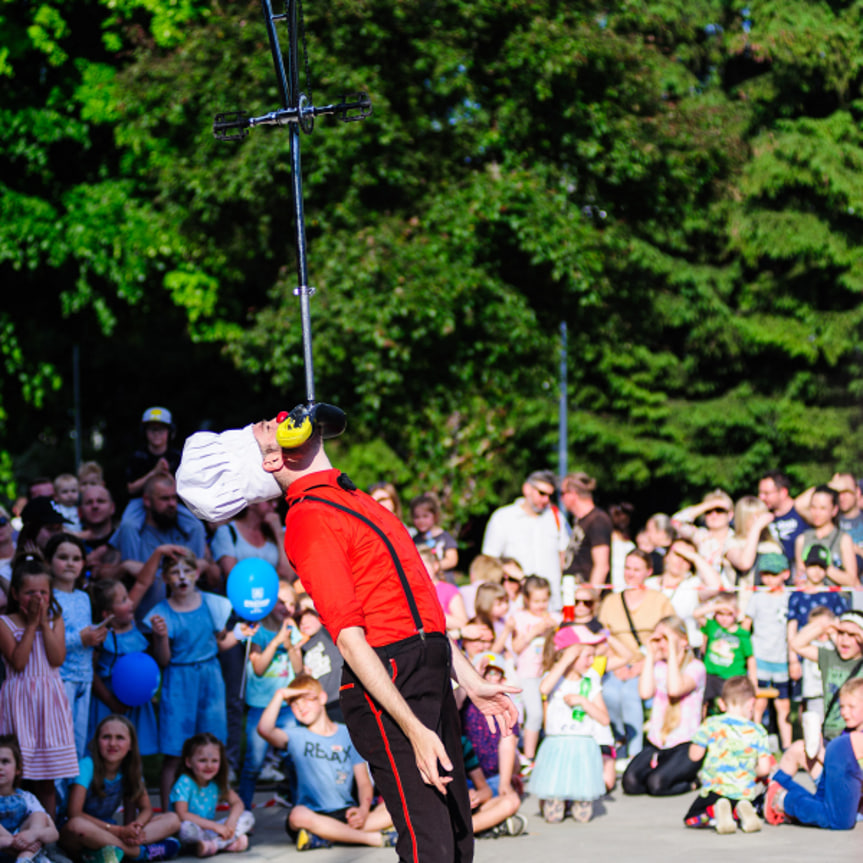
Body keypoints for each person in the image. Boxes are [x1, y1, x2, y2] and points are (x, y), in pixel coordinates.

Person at [175, 411, 519, 863]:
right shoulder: (309, 519)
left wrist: (470, 682)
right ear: (274, 460)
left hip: (427, 668)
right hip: (388, 681)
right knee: (428, 846)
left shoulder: (351, 496)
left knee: (457, 839)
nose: (274, 417)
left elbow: (420, 613)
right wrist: (414, 730)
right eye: (265, 427)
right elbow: (351, 639)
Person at [143, 549, 239, 810]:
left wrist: (240, 633)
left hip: (210, 678)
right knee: (175, 751)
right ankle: (166, 809)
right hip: (179, 680)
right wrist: (160, 636)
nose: (182, 577)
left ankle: (220, 807)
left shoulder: (213, 604)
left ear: (197, 574)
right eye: (175, 572)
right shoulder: (161, 612)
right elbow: (163, 659)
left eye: (187, 571)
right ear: (165, 578)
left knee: (214, 746)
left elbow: (220, 643)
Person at [257, 674, 397, 851]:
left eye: (305, 700)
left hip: (346, 813)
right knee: (296, 816)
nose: (300, 707)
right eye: (294, 704)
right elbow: (264, 729)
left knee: (393, 808)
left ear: (322, 698)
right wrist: (280, 694)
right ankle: (372, 838)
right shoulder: (296, 736)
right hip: (313, 815)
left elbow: (363, 782)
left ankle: (325, 835)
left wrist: (362, 809)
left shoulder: (348, 734)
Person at [0, 555, 77, 817]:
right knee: (19, 773)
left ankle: (48, 835)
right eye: (29, 592)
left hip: (49, 702)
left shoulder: (55, 621)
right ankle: (16, 831)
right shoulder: (4, 623)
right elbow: (19, 662)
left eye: (43, 592)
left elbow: (57, 658)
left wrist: (43, 622)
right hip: (19, 702)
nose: (37, 598)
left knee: (47, 777)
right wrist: (32, 625)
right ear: (15, 593)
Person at [60, 715, 180, 862]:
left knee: (172, 819)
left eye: (120, 738)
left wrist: (137, 828)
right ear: (97, 742)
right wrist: (119, 831)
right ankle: (140, 853)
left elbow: (147, 809)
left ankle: (111, 852)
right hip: (87, 831)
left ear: (130, 745)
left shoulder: (129, 769)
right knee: (76, 826)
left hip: (113, 833)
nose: (112, 743)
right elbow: (74, 813)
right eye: (106, 737)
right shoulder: (87, 765)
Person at [598, 550, 674, 758]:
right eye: (627, 568)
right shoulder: (611, 601)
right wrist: (618, 664)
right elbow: (604, 638)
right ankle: (619, 743)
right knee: (609, 694)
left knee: (632, 695)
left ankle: (634, 753)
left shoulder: (659, 601)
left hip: (649, 664)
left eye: (636, 569)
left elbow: (669, 638)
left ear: (648, 572)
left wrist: (643, 665)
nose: (631, 574)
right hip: (618, 663)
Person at [531, 625, 610, 823]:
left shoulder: (590, 679)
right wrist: (565, 659)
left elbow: (604, 718)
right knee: (553, 816)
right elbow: (544, 688)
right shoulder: (555, 678)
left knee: (582, 816)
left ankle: (576, 800)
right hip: (557, 744)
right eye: (586, 655)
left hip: (583, 745)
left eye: (593, 655)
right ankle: (555, 799)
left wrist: (584, 702)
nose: (591, 661)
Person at [237, 579, 303, 810]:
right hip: (260, 706)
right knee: (253, 763)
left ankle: (299, 809)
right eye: (281, 602)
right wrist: (276, 643)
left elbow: (299, 668)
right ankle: (243, 811)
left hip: (285, 706)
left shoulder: (291, 628)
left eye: (292, 604)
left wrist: (292, 645)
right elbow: (258, 667)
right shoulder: (258, 630)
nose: (287, 608)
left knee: (294, 759)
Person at [764, 677, 863, 829]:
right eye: (842, 706)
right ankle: (777, 790)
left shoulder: (855, 738)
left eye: (851, 707)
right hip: (842, 791)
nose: (844, 712)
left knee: (820, 809)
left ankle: (778, 795)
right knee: (799, 749)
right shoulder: (847, 734)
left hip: (850, 794)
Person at [622, 616, 705, 797]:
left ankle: (692, 782)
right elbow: (644, 693)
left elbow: (675, 689)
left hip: (683, 743)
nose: (661, 644)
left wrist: (675, 652)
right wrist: (650, 655)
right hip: (658, 742)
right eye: (658, 639)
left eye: (665, 639)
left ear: (683, 641)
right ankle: (661, 772)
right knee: (630, 782)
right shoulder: (659, 667)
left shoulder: (696, 668)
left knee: (657, 785)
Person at [109, 474, 208, 621]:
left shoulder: (188, 530)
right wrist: (124, 567)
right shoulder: (132, 533)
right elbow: (102, 575)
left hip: (186, 623)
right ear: (147, 501)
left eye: (175, 498)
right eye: (164, 498)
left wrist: (204, 565)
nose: (172, 504)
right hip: (145, 623)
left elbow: (213, 577)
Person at [683, 676, 772, 834]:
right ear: (752, 703)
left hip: (715, 788)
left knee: (691, 818)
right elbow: (765, 769)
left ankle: (713, 812)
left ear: (721, 703)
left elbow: (694, 755)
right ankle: (740, 810)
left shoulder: (711, 724)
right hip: (744, 790)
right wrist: (752, 772)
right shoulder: (759, 732)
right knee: (742, 799)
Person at [44, 534, 106, 758]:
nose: (70, 563)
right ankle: (59, 791)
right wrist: (81, 639)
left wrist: (97, 635)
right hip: (60, 679)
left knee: (80, 741)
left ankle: (75, 791)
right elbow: (46, 641)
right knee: (60, 742)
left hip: (85, 678)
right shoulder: (48, 596)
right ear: (49, 561)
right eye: (63, 557)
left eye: (76, 558)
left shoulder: (83, 597)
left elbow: (84, 634)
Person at [88, 580, 159, 756]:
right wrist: (110, 701)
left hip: (137, 704)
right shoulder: (102, 637)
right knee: (108, 749)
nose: (131, 603)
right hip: (108, 702)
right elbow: (91, 672)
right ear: (108, 614)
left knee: (132, 749)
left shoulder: (135, 628)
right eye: (123, 601)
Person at [482, 470, 569, 610]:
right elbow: (489, 561)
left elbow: (563, 557)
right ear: (527, 489)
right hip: (515, 604)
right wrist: (516, 577)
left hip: (550, 604)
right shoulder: (503, 517)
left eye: (550, 495)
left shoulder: (557, 518)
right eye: (542, 493)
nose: (546, 499)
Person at [170, 733, 253, 856]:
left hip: (210, 831)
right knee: (186, 829)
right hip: (194, 830)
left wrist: (231, 822)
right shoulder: (184, 782)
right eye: (202, 760)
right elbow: (182, 814)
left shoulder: (216, 782)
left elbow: (237, 803)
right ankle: (227, 843)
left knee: (248, 816)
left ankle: (215, 844)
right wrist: (215, 827)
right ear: (188, 762)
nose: (209, 765)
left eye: (214, 761)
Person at [742, 553, 793, 749]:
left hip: (782, 660)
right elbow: (746, 627)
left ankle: (786, 746)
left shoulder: (790, 597)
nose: (769, 579)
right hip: (760, 658)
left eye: (774, 574)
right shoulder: (757, 598)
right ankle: (755, 744)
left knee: (784, 706)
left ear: (785, 574)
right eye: (765, 574)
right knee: (759, 703)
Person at [506, 575, 559, 763]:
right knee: (534, 713)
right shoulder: (519, 618)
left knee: (551, 714)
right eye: (536, 601)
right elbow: (516, 647)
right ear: (526, 599)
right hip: (527, 674)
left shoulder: (554, 618)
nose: (541, 605)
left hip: (549, 673)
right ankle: (529, 756)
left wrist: (555, 628)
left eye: (545, 600)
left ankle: (549, 754)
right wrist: (533, 632)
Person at [789, 610, 863, 742]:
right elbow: (796, 644)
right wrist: (823, 626)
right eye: (841, 633)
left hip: (856, 734)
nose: (844, 639)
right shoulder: (829, 657)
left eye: (852, 635)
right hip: (830, 732)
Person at [693, 592, 757, 712]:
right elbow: (696, 614)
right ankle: (700, 725)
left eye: (728, 614)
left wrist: (753, 681)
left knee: (731, 704)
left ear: (736, 614)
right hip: (711, 675)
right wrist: (716, 606)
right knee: (702, 702)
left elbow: (750, 658)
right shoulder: (713, 626)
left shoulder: (742, 634)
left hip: (732, 677)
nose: (723, 618)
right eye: (720, 614)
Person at [0, 734, 58, 863]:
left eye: (5, 761)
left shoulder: (26, 797)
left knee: (39, 815)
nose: (0, 767)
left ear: (18, 769)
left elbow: (54, 833)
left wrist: (34, 834)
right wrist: (11, 841)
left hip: (24, 851)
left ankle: (23, 860)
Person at [794, 485, 858, 589]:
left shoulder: (843, 539)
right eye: (813, 507)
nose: (817, 513)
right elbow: (800, 576)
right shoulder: (802, 539)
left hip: (836, 600)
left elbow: (852, 580)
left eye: (823, 508)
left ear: (834, 510)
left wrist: (821, 565)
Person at [671, 489, 735, 583]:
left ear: (730, 515)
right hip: (703, 591)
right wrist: (707, 505)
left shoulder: (737, 537)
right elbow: (676, 522)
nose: (714, 515)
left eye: (719, 510)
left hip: (731, 593)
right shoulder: (700, 536)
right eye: (708, 511)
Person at [560, 472, 612, 588]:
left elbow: (602, 566)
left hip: (586, 601)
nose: (561, 498)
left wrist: (591, 597)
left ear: (573, 494)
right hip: (574, 594)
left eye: (562, 493)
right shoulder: (580, 521)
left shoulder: (598, 520)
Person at [295, 608, 344, 722]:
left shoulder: (327, 633)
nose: (303, 621)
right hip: (324, 704)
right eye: (298, 619)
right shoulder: (301, 649)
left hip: (341, 697)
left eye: (309, 615)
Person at [758, 470, 809, 570]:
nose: (761, 497)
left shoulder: (801, 512)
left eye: (767, 493)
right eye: (760, 493)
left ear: (783, 492)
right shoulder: (763, 517)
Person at [126, 407, 182, 500]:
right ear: (145, 432)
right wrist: (154, 472)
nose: (156, 433)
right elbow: (131, 489)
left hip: (172, 501)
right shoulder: (137, 457)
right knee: (129, 515)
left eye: (161, 429)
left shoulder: (177, 457)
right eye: (152, 429)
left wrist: (166, 474)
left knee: (190, 514)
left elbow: (185, 490)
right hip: (142, 501)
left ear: (170, 432)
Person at [409, 493, 458, 574]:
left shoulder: (444, 536)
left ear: (435, 516)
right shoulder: (415, 540)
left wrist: (435, 566)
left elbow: (452, 560)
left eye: (425, 516)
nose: (421, 520)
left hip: (443, 582)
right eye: (417, 517)